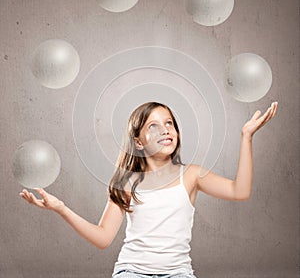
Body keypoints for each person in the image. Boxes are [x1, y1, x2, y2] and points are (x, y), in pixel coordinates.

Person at [20, 101, 278, 278]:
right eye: (153, 126)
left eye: (169, 123)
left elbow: (239, 191)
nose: (165, 130)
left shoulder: (191, 175)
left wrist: (246, 137)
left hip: (178, 273)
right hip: (131, 272)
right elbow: (103, 238)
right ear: (138, 142)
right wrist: (61, 208)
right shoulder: (127, 183)